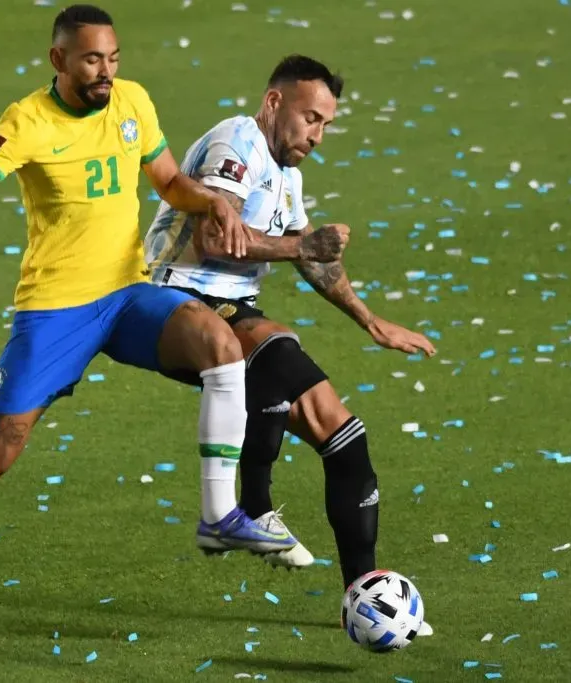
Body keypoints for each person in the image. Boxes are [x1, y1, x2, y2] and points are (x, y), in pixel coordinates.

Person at [0, 5, 318, 629]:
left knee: (221, 344)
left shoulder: (133, 102)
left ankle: (219, 514)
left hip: (126, 295)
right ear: (58, 60)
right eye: (91, 60)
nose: (106, 71)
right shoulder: (28, 119)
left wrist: (212, 204)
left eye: (112, 58)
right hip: (56, 310)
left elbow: (170, 181)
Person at [143, 54, 437, 635]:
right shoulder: (237, 143)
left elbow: (313, 258)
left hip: (234, 308)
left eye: (325, 124)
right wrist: (302, 246)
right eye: (310, 118)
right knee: (277, 350)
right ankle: (252, 507)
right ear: (274, 102)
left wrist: (370, 320)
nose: (317, 135)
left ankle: (365, 593)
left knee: (345, 437)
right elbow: (215, 238)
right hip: (176, 296)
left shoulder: (288, 177)